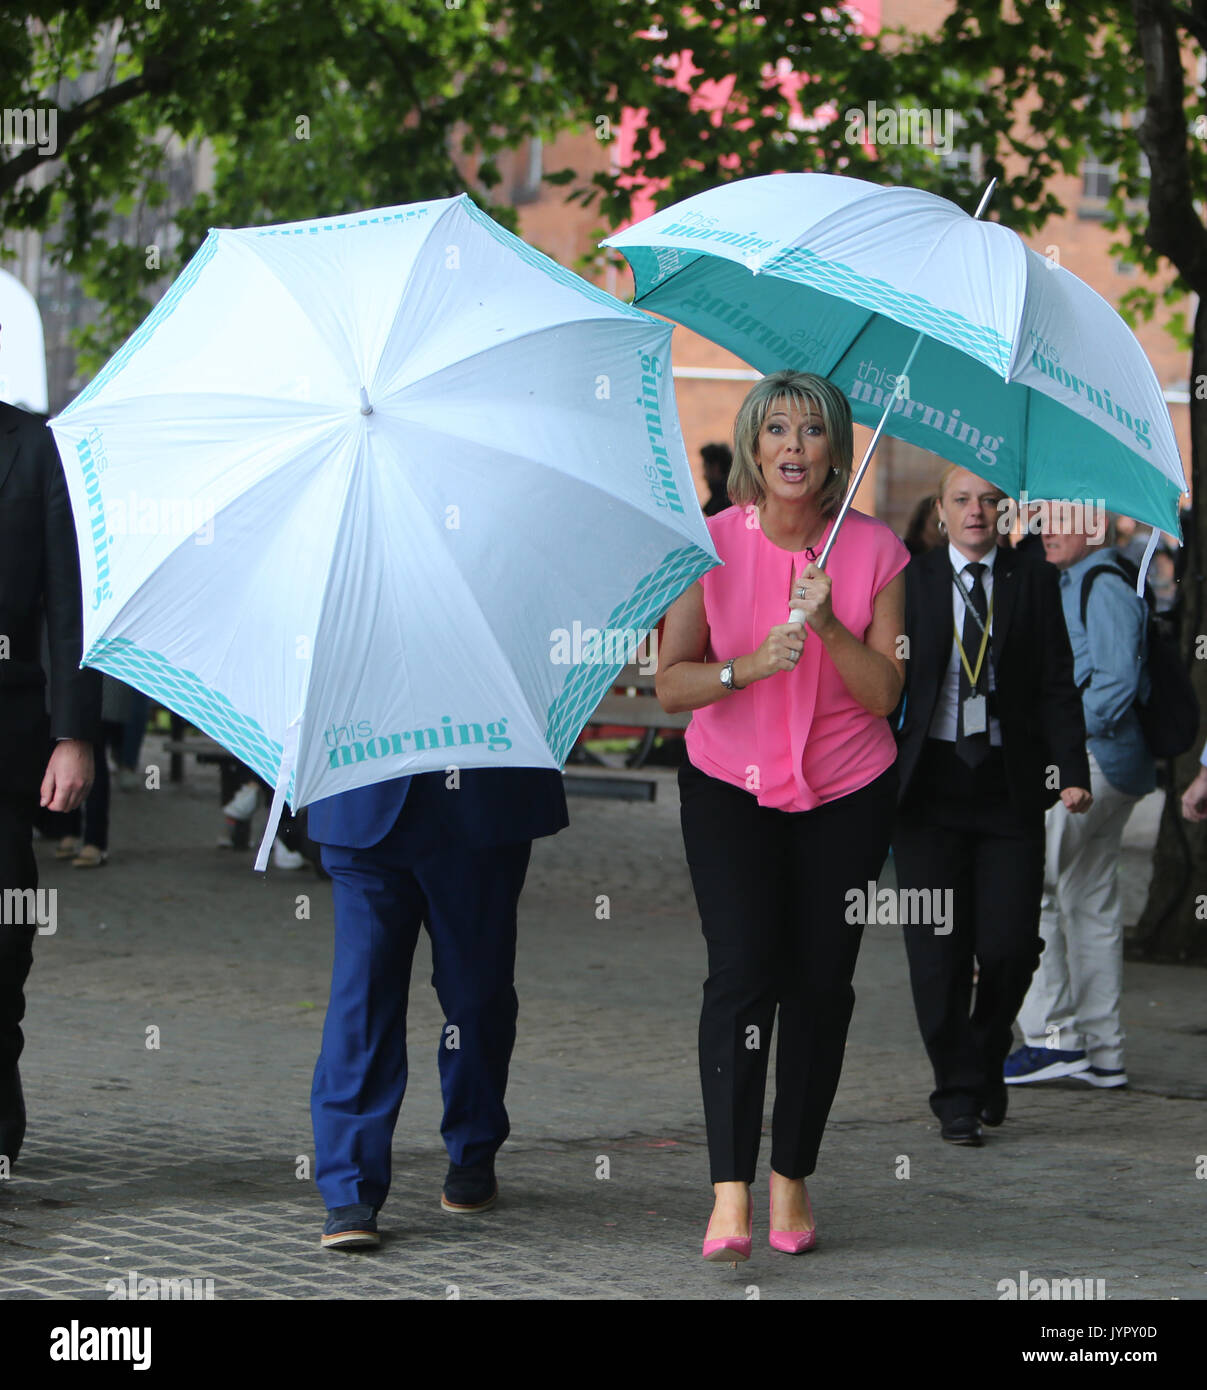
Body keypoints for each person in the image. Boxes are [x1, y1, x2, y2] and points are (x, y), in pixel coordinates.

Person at [657, 370, 908, 1261]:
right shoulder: (708, 546)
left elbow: (884, 695)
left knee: (818, 982)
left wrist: (832, 627)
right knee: (740, 972)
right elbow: (671, 681)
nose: (793, 447)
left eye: (811, 432)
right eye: (777, 431)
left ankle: (790, 1175)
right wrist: (749, 667)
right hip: (729, 785)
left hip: (845, 791)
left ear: (836, 452)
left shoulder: (874, 552)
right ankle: (729, 1191)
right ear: (754, 450)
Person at [892, 467, 1091, 1146]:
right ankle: (957, 1094)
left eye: (987, 502)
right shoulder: (909, 582)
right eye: (961, 501)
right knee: (935, 956)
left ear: (1004, 514)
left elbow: (1055, 681)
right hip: (928, 790)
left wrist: (1070, 768)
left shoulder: (1029, 579)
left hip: (1007, 786)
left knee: (1007, 947)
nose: (974, 512)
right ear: (940, 512)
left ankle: (982, 1061)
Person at [305, 767, 567, 1248]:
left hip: (483, 799)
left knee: (477, 995)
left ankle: (473, 1149)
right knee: (362, 996)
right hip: (363, 795)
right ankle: (350, 1187)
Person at [1007, 514, 1156, 1090]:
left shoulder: (1104, 584)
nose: (1049, 529)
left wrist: (1060, 741)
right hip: (1102, 765)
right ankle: (1103, 1053)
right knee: (1088, 901)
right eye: (1044, 518)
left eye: (1067, 518)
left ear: (1097, 528)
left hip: (1094, 764)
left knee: (1027, 887)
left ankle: (1052, 1040)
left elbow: (1117, 680)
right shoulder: (1075, 581)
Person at [0, 392, 100, 1168]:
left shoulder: (37, 448)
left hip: (9, 733)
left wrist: (74, 735)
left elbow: (71, 603)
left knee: (3, 938)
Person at [700, 442, 733, 516]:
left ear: (715, 468)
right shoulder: (732, 495)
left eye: (706, 468)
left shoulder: (723, 502)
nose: (704, 476)